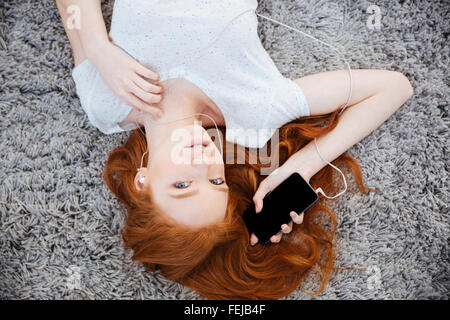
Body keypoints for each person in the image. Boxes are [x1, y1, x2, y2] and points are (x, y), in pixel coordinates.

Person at [56, 0, 413, 299]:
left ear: (142, 181)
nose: (201, 163)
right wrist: (300, 167)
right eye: (215, 182)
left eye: (181, 186)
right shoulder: (255, 108)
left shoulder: (105, 103)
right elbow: (394, 87)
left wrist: (99, 48)